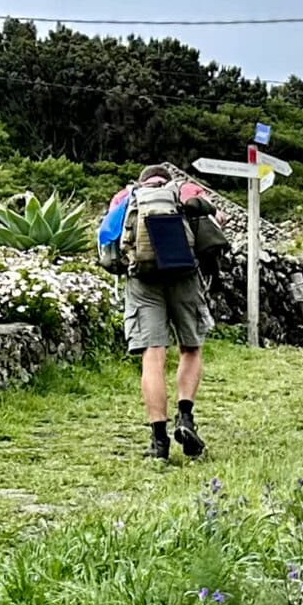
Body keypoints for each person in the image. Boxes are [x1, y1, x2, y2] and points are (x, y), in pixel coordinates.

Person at [98, 165, 225, 461]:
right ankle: (185, 417)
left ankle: (158, 442)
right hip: (184, 276)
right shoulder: (185, 190)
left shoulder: (125, 197)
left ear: (142, 182)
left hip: (142, 280)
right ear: (166, 181)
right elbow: (217, 219)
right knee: (190, 348)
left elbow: (107, 236)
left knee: (153, 357)